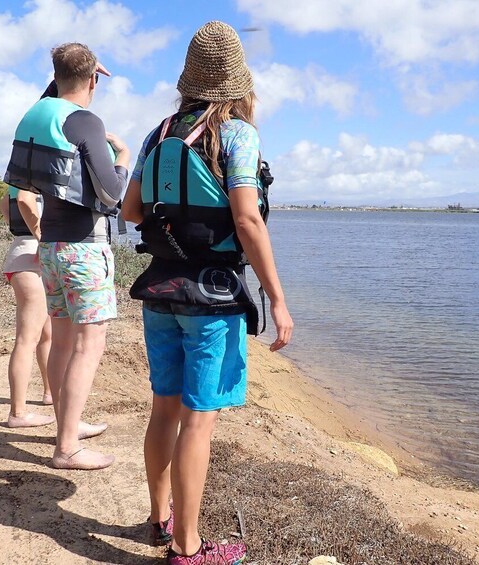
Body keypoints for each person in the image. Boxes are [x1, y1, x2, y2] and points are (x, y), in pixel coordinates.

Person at [121, 21, 293, 565]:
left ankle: (159, 519)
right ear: (240, 85)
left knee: (164, 410)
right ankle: (188, 549)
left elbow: (129, 212)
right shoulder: (240, 136)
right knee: (198, 421)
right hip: (213, 300)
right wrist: (278, 301)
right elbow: (247, 219)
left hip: (160, 291)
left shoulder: (159, 133)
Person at [4, 42, 130, 470]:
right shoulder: (85, 120)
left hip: (49, 249)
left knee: (61, 340)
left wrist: (73, 69)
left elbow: (52, 97)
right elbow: (111, 193)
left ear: (55, 75)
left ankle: (67, 429)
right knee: (89, 344)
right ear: (95, 79)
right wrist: (124, 160)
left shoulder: (36, 115)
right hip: (83, 249)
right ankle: (67, 448)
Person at [0, 187, 55, 428]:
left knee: (47, 334)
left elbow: (5, 204)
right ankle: (18, 413)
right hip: (30, 259)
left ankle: (49, 392)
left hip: (24, 254)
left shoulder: (22, 177)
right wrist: (41, 237)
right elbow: (23, 199)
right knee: (27, 340)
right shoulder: (31, 178)